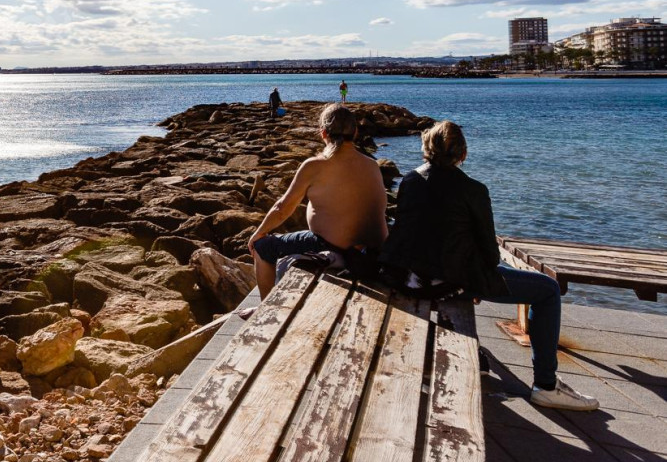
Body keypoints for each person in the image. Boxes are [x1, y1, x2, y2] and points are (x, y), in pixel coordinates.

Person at [380, 121, 599, 412]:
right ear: (463, 154)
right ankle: (546, 385)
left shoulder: (410, 181)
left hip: (410, 277)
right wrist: (477, 282)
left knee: (495, 277)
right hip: (452, 279)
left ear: (426, 149)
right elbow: (489, 252)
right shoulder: (473, 190)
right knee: (547, 290)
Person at [248, 104, 388, 297]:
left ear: (323, 133)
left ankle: (264, 307)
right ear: (355, 132)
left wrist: (258, 233)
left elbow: (282, 208)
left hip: (336, 249)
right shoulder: (372, 164)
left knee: (263, 247)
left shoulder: (315, 165)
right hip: (372, 251)